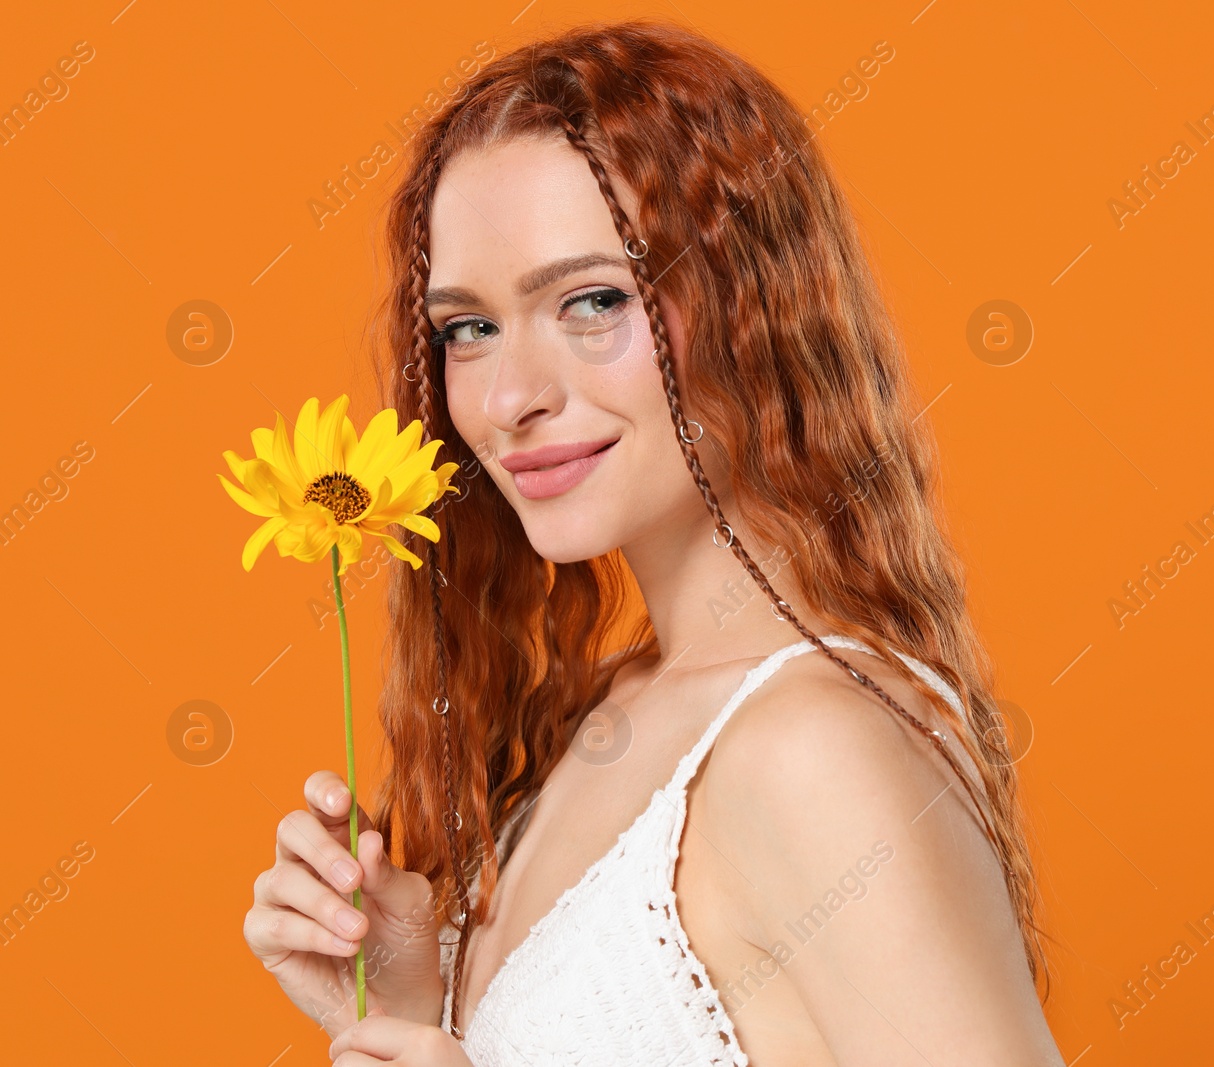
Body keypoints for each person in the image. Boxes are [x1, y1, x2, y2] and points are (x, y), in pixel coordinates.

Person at [243, 18, 1064, 1066]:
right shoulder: (609, 713)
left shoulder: (812, 750)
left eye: (590, 301)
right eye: (468, 327)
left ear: (751, 304)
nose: (507, 398)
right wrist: (412, 998)